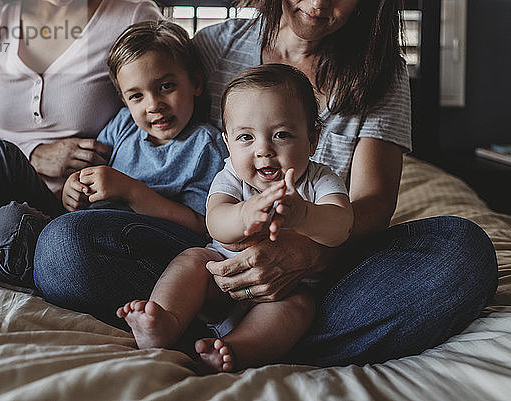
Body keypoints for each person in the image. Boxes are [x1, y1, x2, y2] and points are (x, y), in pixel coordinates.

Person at [35, 0, 498, 368]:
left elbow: (370, 207)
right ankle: (209, 331)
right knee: (64, 247)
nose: (318, 4)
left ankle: (245, 342)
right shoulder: (214, 49)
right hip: (212, 262)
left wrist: (304, 250)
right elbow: (166, 139)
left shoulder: (380, 74)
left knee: (462, 251)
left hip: (324, 276)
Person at [0, 20, 226, 286]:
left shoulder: (206, 146)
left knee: (9, 227)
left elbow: (201, 227)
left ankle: (13, 258)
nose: (153, 104)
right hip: (67, 222)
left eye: (166, 87)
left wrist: (132, 192)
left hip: (114, 243)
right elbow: (85, 175)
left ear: (196, 83)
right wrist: (72, 189)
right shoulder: (124, 125)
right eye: (137, 95)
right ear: (123, 100)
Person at [117, 64, 353, 373]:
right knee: (192, 260)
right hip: (222, 282)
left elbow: (341, 226)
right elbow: (215, 222)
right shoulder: (230, 177)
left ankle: (236, 349)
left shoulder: (320, 179)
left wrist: (305, 215)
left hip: (285, 290)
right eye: (246, 137)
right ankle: (164, 321)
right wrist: (245, 213)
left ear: (312, 139)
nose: (264, 150)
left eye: (282, 134)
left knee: (301, 306)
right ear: (227, 143)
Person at [0, 0, 161, 197]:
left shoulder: (134, 17)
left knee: (5, 223)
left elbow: (165, 113)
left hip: (82, 202)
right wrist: (33, 155)